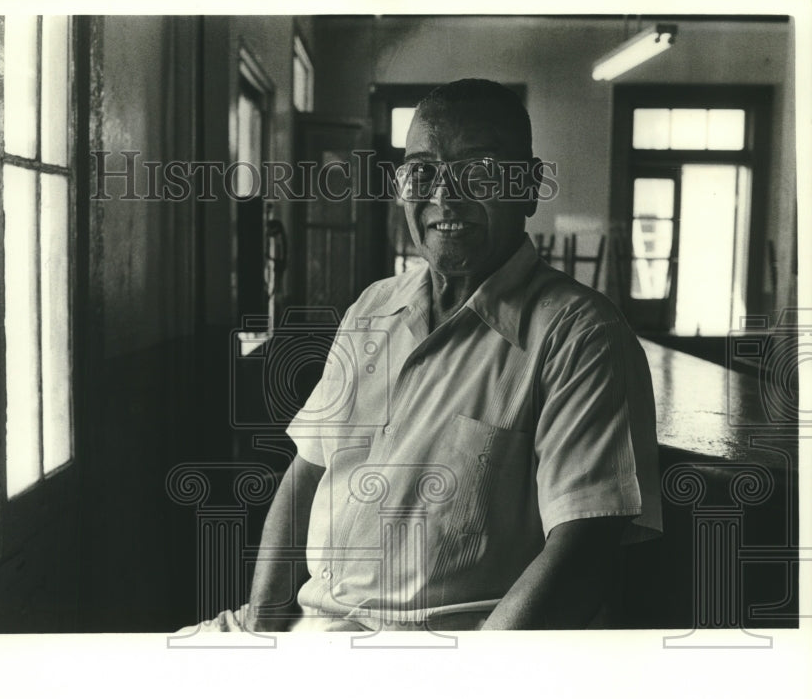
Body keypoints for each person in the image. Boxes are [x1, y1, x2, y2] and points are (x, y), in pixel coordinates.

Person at [181, 78, 661, 633]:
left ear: (528, 188)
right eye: (422, 170)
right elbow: (305, 475)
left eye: (479, 170)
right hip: (305, 633)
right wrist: (262, 631)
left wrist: (466, 687)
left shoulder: (580, 336)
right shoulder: (373, 308)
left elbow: (582, 552)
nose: (444, 197)